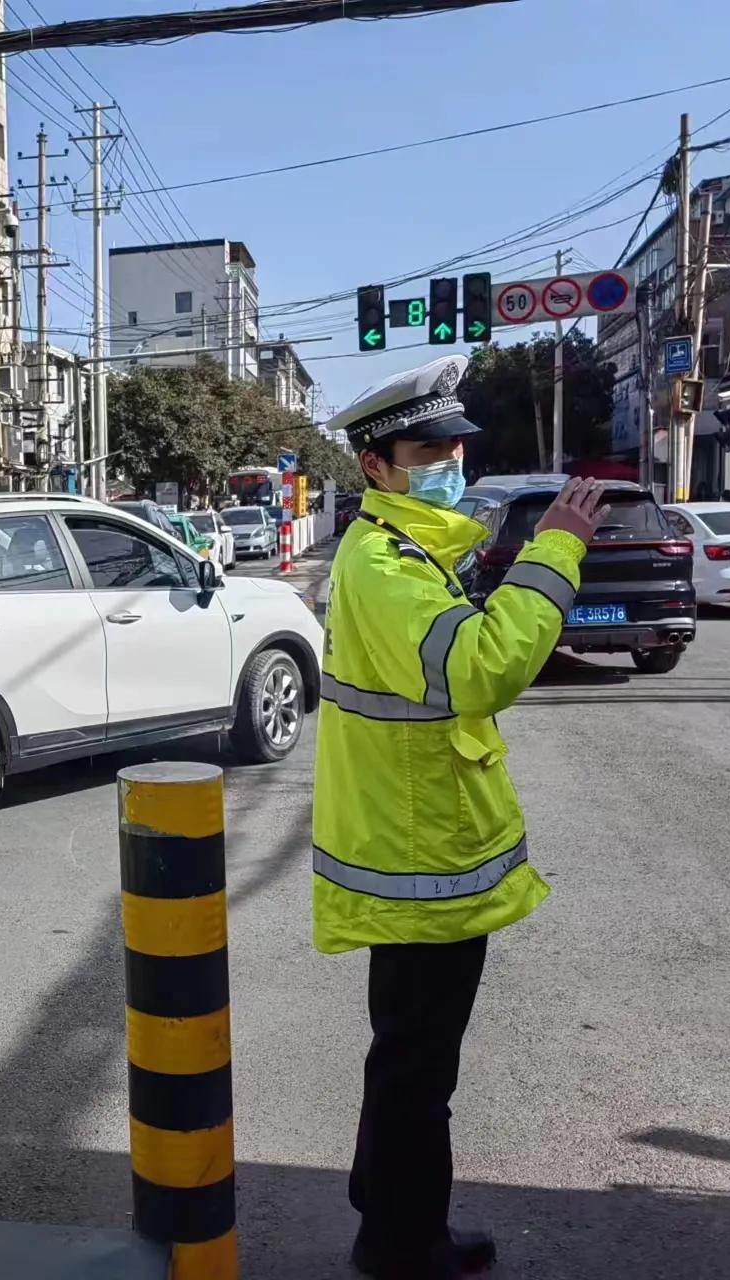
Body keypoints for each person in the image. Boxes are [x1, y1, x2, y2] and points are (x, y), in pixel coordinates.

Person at [313, 356, 607, 1280]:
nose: (448, 459)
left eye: (454, 444)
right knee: (418, 1071)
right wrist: (557, 550)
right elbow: (483, 669)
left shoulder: (411, 549)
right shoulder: (385, 565)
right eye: (426, 446)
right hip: (417, 859)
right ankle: (405, 1245)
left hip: (420, 848)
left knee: (405, 1058)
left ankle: (386, 1213)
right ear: (376, 466)